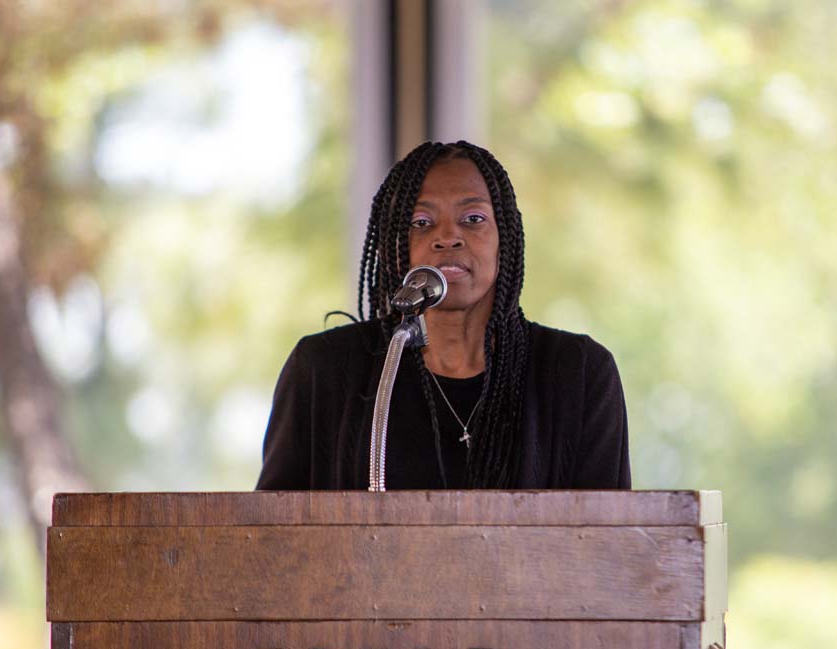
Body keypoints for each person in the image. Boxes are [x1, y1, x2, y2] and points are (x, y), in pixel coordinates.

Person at [256, 141, 630, 490]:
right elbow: (271, 537)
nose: (448, 236)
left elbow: (608, 542)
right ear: (392, 247)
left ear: (507, 238)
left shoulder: (578, 373)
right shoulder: (324, 370)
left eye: (473, 219)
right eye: (421, 222)